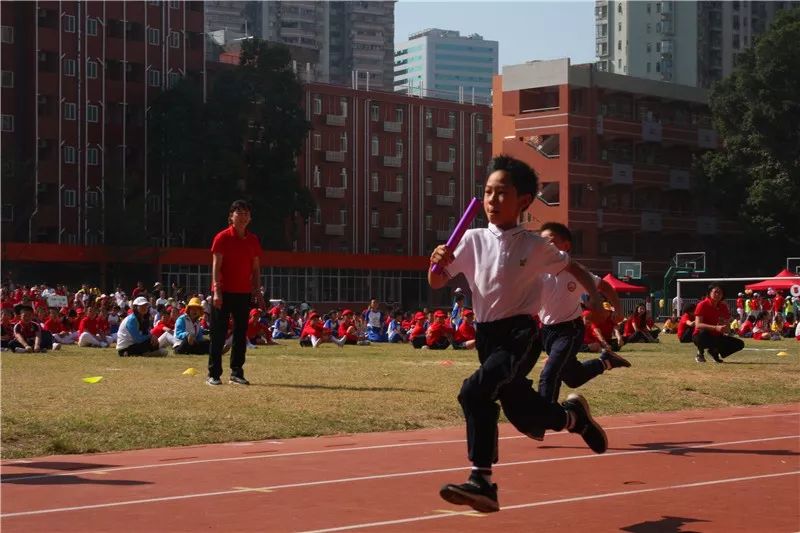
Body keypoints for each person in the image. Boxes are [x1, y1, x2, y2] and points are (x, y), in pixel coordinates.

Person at [428, 154, 607, 513]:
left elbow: (577, 270)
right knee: (524, 414)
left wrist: (598, 305)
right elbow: (436, 281)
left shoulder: (536, 246)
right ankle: (574, 417)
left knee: (474, 392)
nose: (493, 200)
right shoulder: (471, 240)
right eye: (488, 192)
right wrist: (437, 261)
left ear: (523, 201)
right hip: (487, 335)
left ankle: (482, 480)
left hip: (520, 335)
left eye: (502, 193)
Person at [535, 222, 630, 435]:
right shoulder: (538, 270)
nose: (545, 245)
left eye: (550, 240)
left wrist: (618, 309)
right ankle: (606, 361)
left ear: (565, 246)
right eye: (542, 241)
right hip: (547, 331)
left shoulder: (575, 271)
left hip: (570, 329)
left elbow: (605, 286)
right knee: (573, 377)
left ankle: (542, 419)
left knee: (550, 372)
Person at [208, 200, 264, 386]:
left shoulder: (253, 240)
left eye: (246, 213)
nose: (243, 216)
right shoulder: (222, 238)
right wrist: (217, 291)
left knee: (241, 334)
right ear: (231, 216)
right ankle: (214, 374)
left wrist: (257, 290)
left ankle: (237, 372)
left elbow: (255, 269)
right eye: (239, 213)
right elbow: (216, 267)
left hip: (243, 293)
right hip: (223, 292)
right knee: (219, 333)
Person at [693, 283, 744, 363]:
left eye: (720, 292)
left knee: (739, 344)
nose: (717, 294)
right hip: (702, 335)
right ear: (709, 293)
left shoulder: (723, 306)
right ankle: (700, 353)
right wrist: (715, 327)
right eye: (715, 292)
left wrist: (726, 327)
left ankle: (714, 351)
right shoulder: (702, 305)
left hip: (717, 335)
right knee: (701, 335)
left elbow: (727, 328)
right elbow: (698, 325)